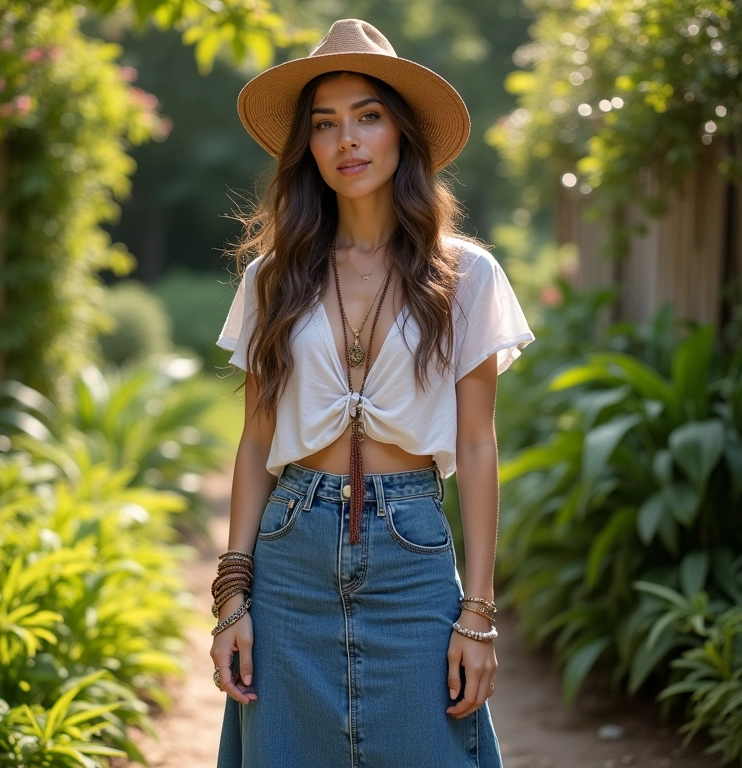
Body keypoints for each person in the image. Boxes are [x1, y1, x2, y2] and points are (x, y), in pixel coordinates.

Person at [210, 18, 534, 768]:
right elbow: (257, 440)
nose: (345, 140)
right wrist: (232, 600)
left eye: (368, 116)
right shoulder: (273, 277)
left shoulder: (467, 276)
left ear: (402, 134)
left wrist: (478, 616)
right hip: (291, 553)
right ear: (308, 147)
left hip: (411, 548)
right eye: (324, 124)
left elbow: (480, 444)